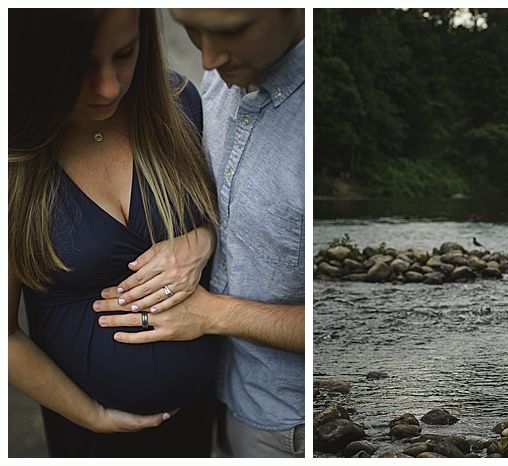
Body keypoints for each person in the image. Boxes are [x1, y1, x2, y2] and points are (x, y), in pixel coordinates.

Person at [92, 9, 306, 457]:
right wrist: (204, 235)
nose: (207, 59)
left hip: (290, 423)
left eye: (232, 31)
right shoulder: (223, 76)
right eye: (192, 28)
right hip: (215, 398)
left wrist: (212, 314)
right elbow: (237, 204)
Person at [8, 9, 219, 457]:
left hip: (198, 416)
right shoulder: (13, 159)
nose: (108, 87)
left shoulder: (179, 103)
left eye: (124, 55)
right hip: (90, 437)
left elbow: (226, 221)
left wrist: (204, 240)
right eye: (79, 67)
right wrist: (93, 416)